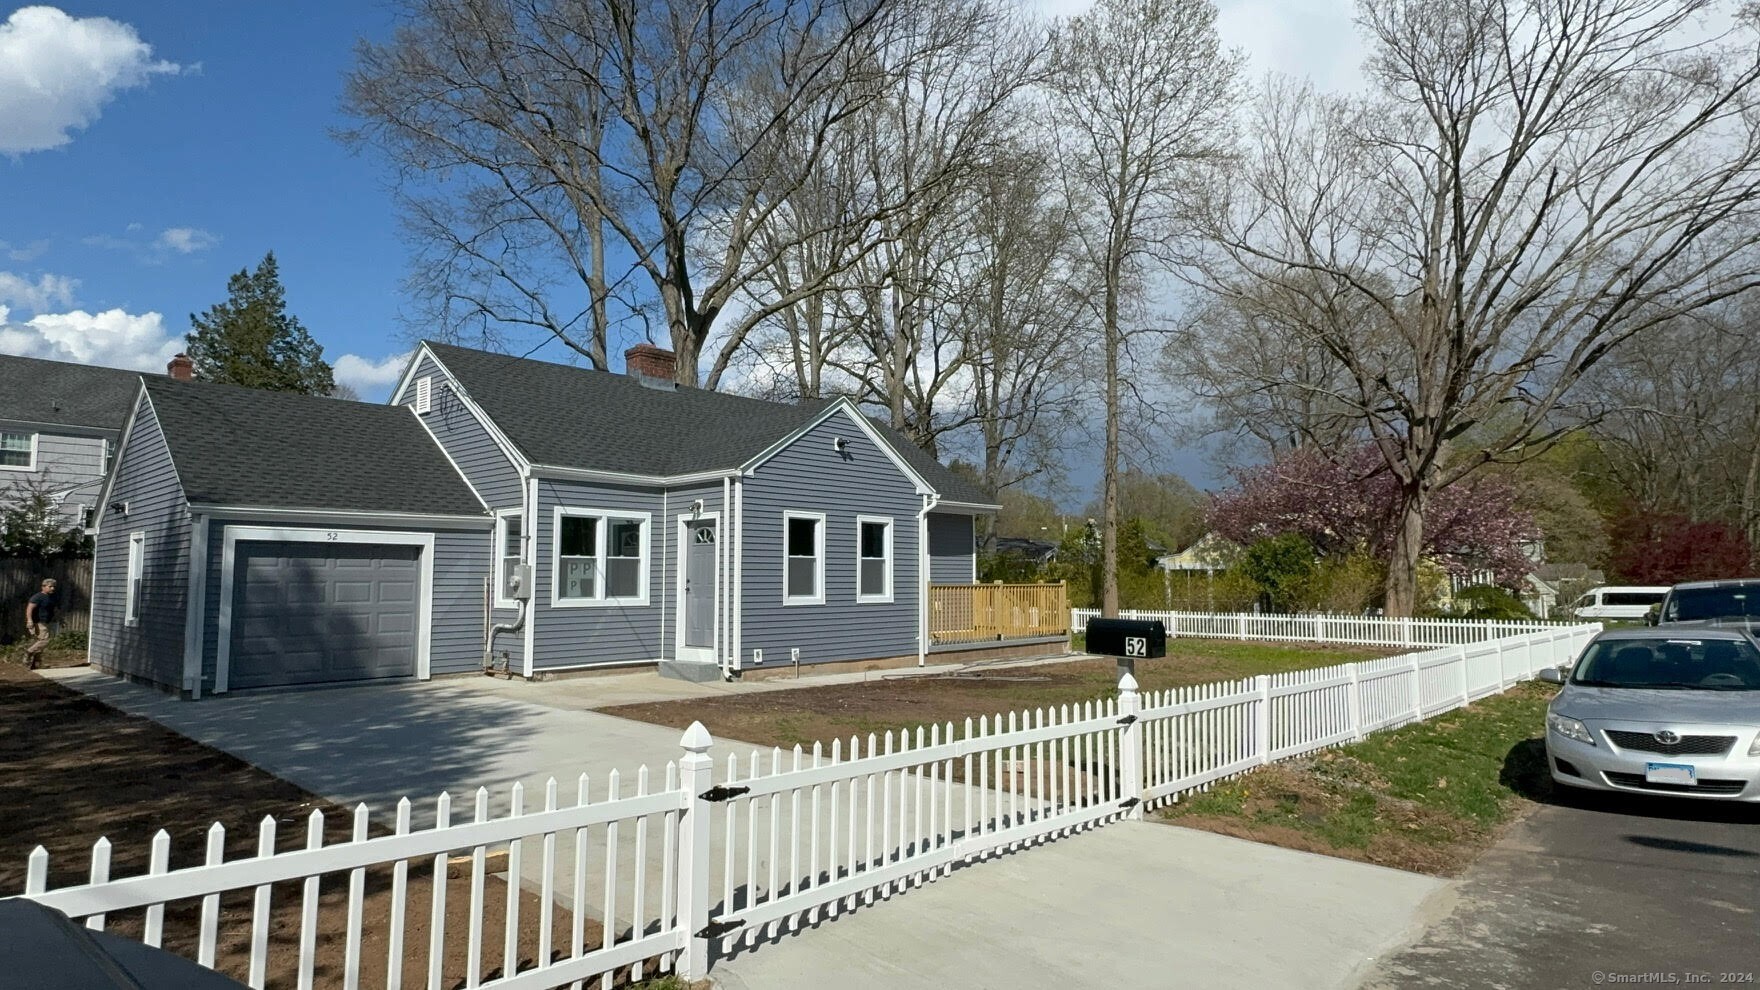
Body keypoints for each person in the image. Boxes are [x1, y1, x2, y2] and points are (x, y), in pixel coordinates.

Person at [23, 578, 57, 670]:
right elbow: (29, 608)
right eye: (50, 586)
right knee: (45, 640)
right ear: (43, 587)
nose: (52, 588)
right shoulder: (38, 597)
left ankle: (36, 664)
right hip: (38, 622)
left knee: (40, 644)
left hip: (46, 622)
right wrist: (29, 620)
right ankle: (29, 652)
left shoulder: (50, 597)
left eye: (53, 586)